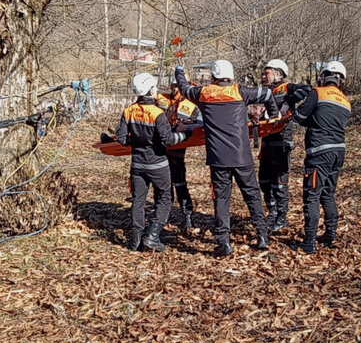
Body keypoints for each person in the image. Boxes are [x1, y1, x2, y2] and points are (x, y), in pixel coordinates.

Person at [175, 60, 280, 257]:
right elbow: (266, 94)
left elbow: (184, 87)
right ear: (230, 76)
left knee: (221, 199)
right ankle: (262, 235)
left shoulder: (203, 93)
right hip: (241, 156)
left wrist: (179, 70)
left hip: (218, 158)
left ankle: (223, 241)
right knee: (252, 196)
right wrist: (273, 115)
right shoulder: (240, 92)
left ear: (213, 76)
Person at [116, 73, 190, 252]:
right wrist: (186, 135)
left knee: (138, 200)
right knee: (165, 199)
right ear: (150, 89)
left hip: (137, 164)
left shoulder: (128, 111)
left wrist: (135, 143)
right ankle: (152, 236)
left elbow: (120, 138)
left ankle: (135, 240)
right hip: (158, 164)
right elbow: (169, 139)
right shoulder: (157, 113)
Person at [288, 61, 351, 254]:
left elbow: (299, 115)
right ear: (340, 79)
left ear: (324, 76)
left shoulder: (318, 92)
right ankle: (330, 233)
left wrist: (292, 103)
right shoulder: (346, 101)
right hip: (338, 152)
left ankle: (308, 242)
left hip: (319, 152)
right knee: (328, 194)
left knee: (312, 195)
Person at [258, 59, 310, 232]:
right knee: (264, 180)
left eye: (267, 73)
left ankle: (281, 216)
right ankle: (272, 211)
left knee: (280, 183)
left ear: (278, 73)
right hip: (266, 141)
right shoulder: (265, 91)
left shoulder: (286, 87)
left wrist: (292, 99)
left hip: (281, 141)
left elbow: (306, 90)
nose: (263, 76)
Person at [159, 82, 202, 229]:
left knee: (180, 182)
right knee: (163, 183)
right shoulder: (161, 99)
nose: (175, 89)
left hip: (178, 147)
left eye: (178, 86)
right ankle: (163, 215)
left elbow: (197, 125)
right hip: (161, 146)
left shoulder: (191, 105)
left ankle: (187, 215)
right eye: (173, 85)